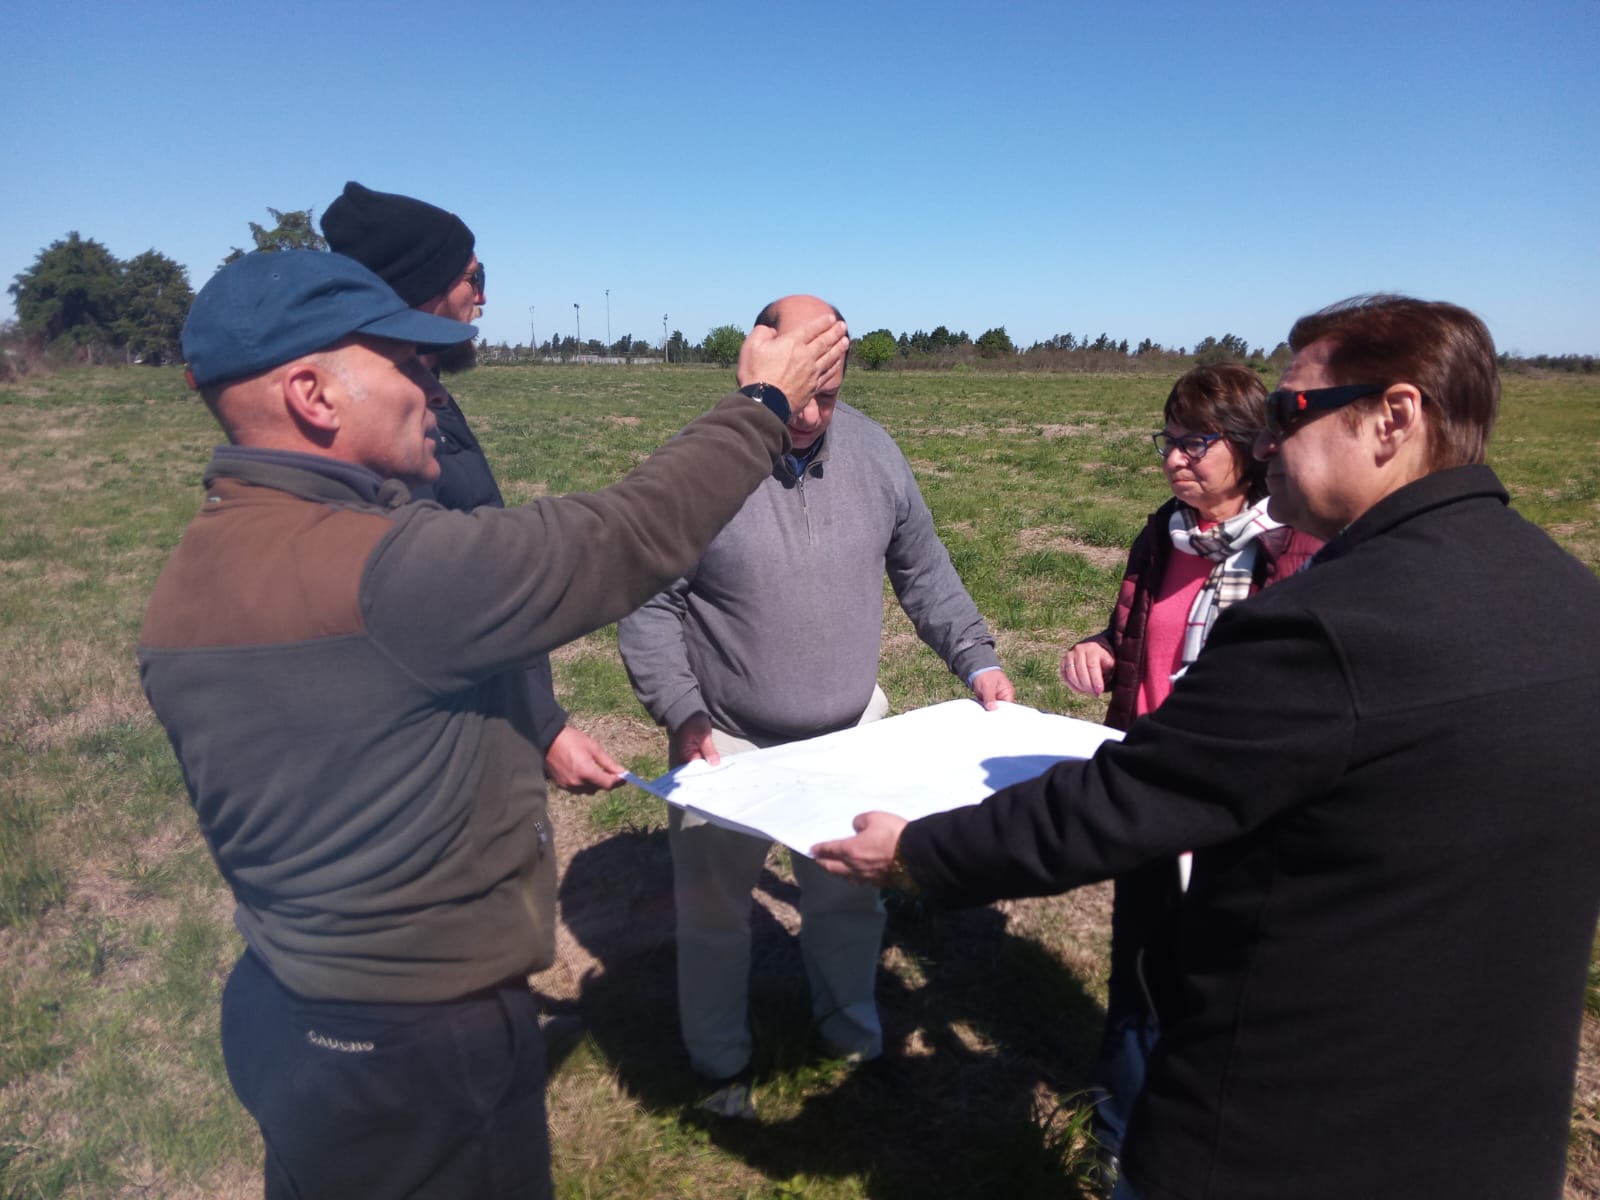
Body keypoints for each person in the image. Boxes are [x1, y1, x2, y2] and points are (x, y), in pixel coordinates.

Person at [815, 295, 1600, 1200]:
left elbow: (1124, 799)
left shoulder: (1327, 625)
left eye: (1290, 410)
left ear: (1395, 417)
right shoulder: (1570, 602)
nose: (1267, 441)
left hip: (1279, 1144)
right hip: (1491, 1149)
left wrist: (919, 853)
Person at [139, 249, 846, 1199]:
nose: (434, 390)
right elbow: (627, 535)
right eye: (409, 363)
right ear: (312, 394)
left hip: (291, 1015)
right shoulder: (390, 574)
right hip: (422, 1052)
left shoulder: (199, 568)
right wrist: (761, 406)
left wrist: (535, 730)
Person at [617, 294, 1015, 1115]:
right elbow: (648, 602)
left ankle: (851, 1036)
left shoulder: (875, 452)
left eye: (826, 396)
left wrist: (977, 659)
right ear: (757, 362)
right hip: (723, 742)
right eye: (796, 393)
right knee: (715, 918)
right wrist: (682, 711)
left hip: (849, 737)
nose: (806, 415)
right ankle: (719, 1067)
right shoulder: (701, 463)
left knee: (848, 901)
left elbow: (924, 570)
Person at [1059, 364, 1321, 1177]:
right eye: (1168, 441)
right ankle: (1118, 1140)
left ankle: (1209, 1151)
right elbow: (1132, 635)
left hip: (1239, 813)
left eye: (1195, 443)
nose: (1175, 459)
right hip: (1149, 793)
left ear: (1249, 447)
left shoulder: (1293, 552)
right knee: (1139, 972)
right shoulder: (1162, 536)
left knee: (1223, 990)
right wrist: (1099, 650)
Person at [321, 180, 623, 794]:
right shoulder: (377, 430)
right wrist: (540, 726)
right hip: (439, 765)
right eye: (472, 278)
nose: (482, 297)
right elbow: (447, 604)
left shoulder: (424, 399)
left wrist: (542, 724)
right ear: (423, 290)